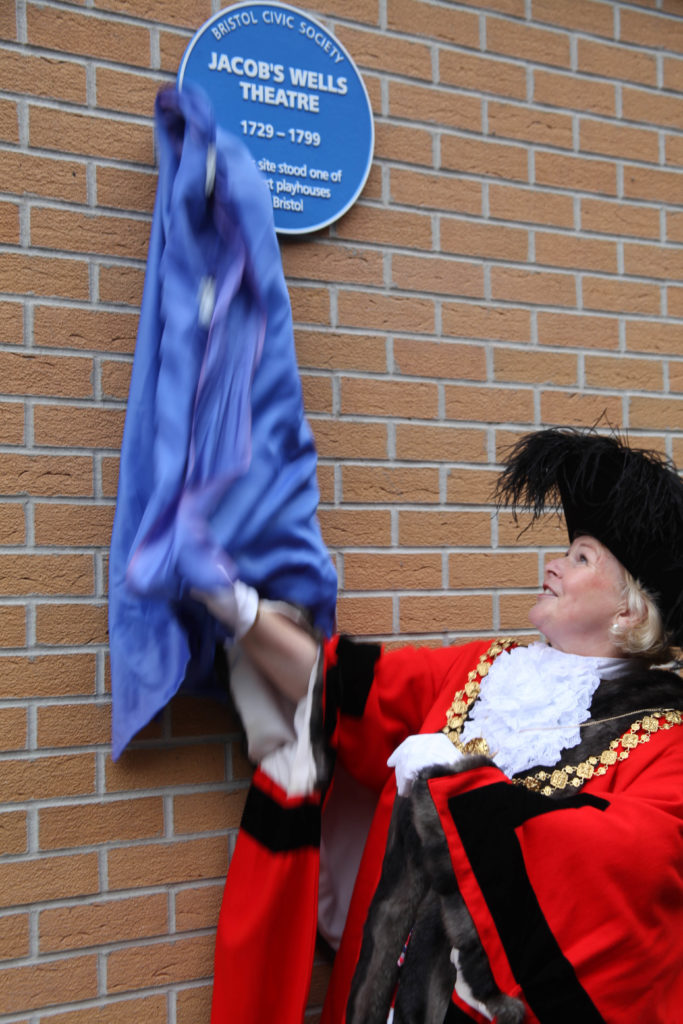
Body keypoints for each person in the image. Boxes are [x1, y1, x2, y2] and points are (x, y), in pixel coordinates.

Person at [198, 428, 683, 1024]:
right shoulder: (485, 668)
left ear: (629, 609)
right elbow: (341, 687)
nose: (554, 564)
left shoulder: (665, 737)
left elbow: (632, 867)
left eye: (581, 557)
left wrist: (463, 788)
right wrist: (236, 608)